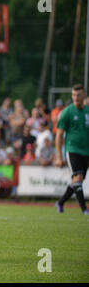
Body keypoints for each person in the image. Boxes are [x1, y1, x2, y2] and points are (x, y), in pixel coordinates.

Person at [55, 84, 89, 215]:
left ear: (84, 96)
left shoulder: (87, 112)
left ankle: (61, 202)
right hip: (72, 149)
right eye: (74, 95)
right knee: (78, 177)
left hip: (86, 151)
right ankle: (84, 210)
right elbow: (59, 134)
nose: (76, 97)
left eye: (79, 95)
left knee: (77, 181)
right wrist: (59, 156)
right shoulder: (67, 112)